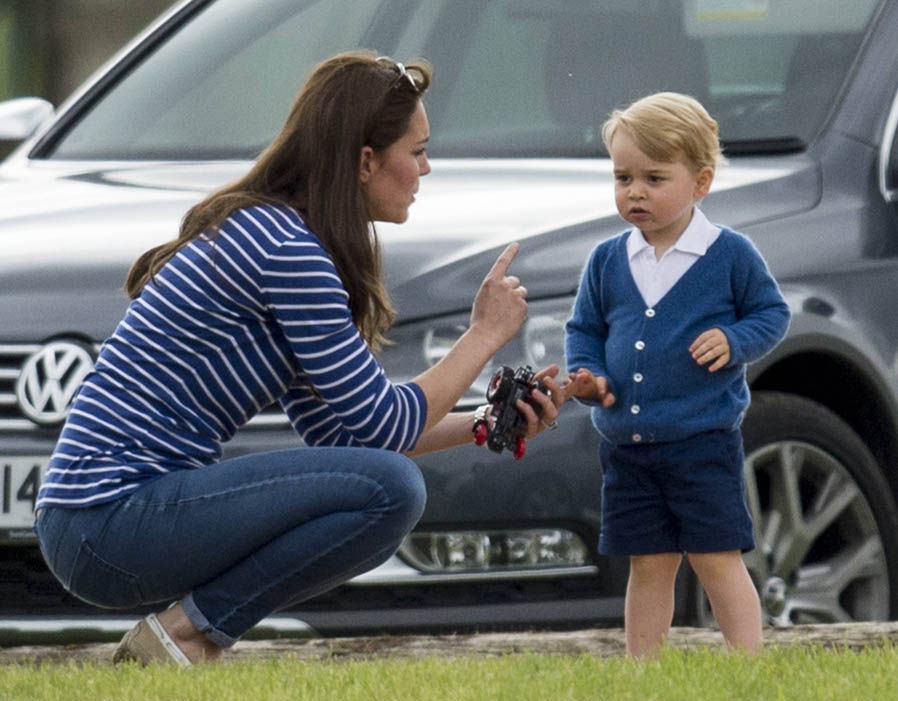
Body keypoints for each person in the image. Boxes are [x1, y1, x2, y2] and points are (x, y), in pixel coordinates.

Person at [34, 51, 564, 666]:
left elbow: (347, 438)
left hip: (94, 526)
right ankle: (189, 637)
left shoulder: (280, 236)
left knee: (385, 483)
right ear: (366, 161)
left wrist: (486, 425)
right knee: (393, 491)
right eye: (415, 150)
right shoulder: (288, 250)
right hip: (105, 521)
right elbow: (384, 430)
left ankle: (186, 636)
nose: (425, 167)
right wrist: (483, 335)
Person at [564, 92, 790, 657]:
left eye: (653, 178)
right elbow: (584, 329)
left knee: (717, 556)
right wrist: (587, 374)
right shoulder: (608, 260)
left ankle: (748, 662)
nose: (634, 192)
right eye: (622, 177)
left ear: (701, 181)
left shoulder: (730, 254)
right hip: (628, 449)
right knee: (648, 561)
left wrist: (735, 339)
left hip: (702, 442)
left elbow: (772, 314)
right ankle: (646, 669)